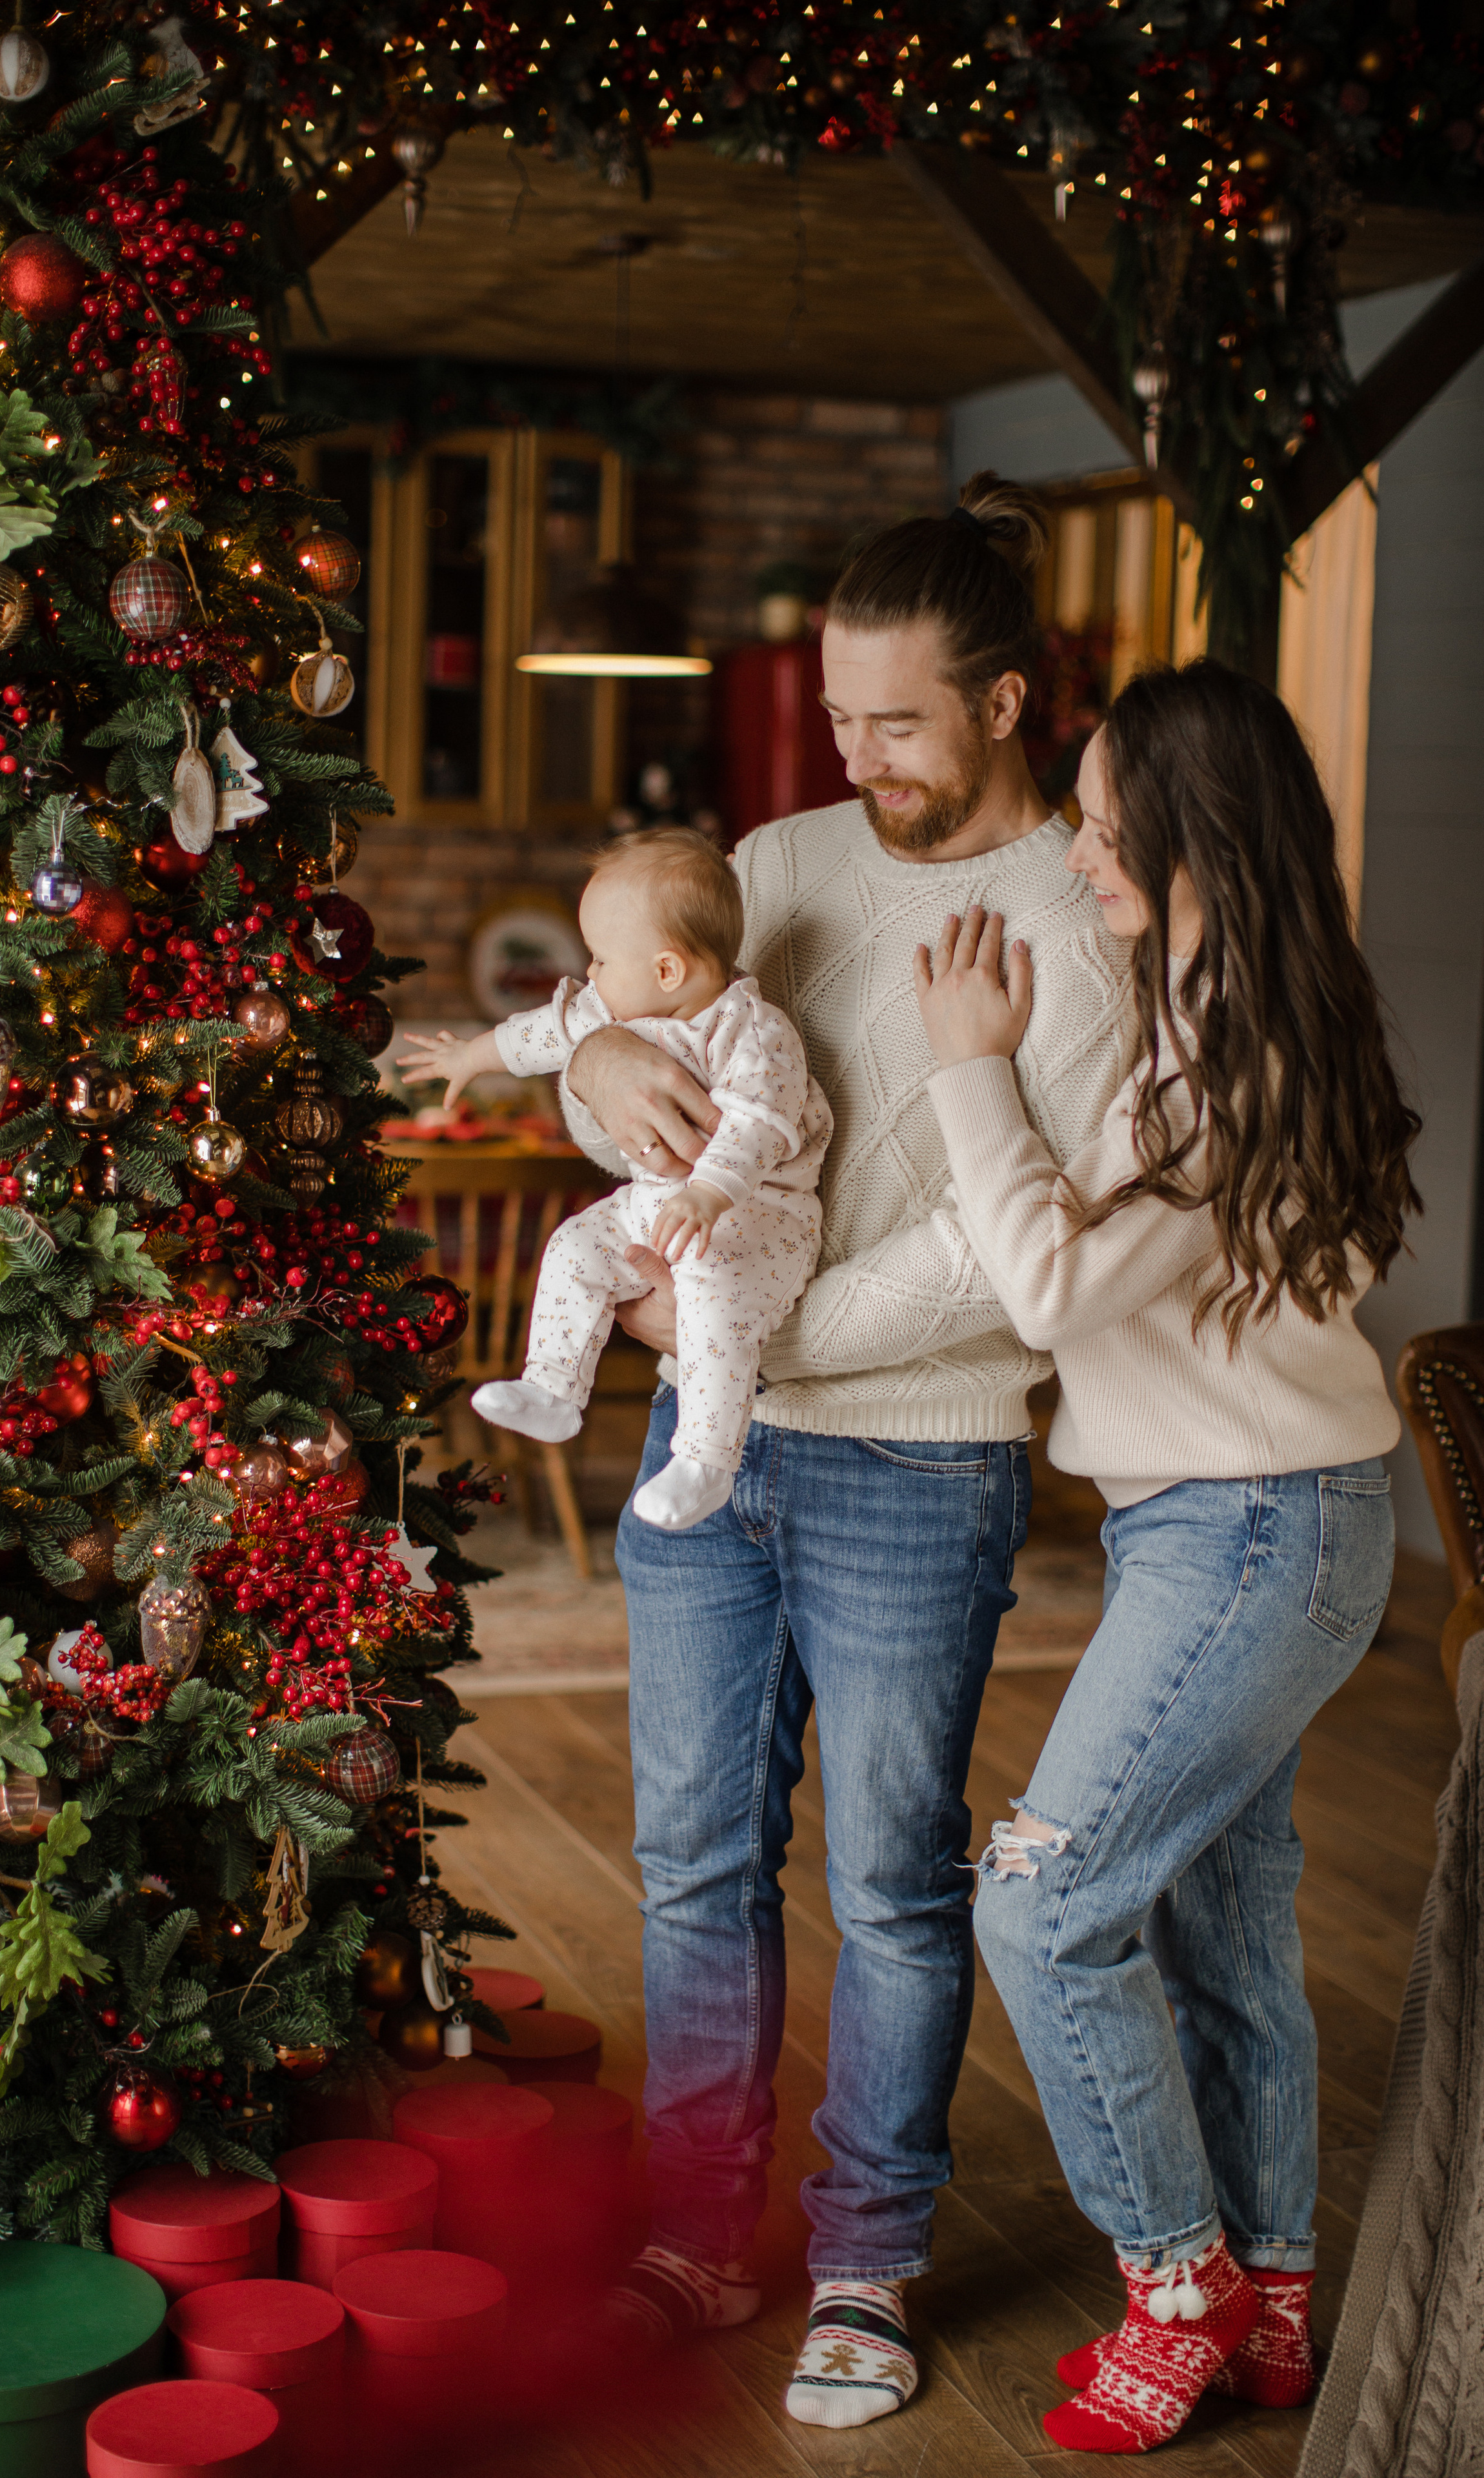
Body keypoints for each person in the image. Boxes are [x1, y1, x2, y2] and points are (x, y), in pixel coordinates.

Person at [558, 475, 1137, 2428]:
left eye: (895, 719)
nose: (851, 753)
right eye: (836, 711)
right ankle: (697, 2231)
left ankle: (867, 2260)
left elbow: (1002, 1246)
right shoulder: (780, 852)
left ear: (1005, 700)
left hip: (919, 1458)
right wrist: (588, 1067)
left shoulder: (1085, 908)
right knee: (687, 1859)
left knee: (892, 1880)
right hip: (700, 1454)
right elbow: (642, 1017)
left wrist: (716, 1320)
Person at [917, 658, 1419, 2455]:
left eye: (1106, 816)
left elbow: (1053, 1287)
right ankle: (1274, 2298)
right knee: (1218, 1923)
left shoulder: (1229, 1046)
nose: (1079, 843)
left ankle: (1181, 2278)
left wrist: (971, 1074)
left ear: (1198, 825)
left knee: (1040, 1906)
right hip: (1239, 1520)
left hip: (1250, 1532)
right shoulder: (1229, 1005)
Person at [396, 829, 830, 1531]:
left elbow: (760, 1126)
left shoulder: (754, 1032)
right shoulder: (618, 1009)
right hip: (656, 1202)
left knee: (713, 1305)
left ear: (666, 970)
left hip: (755, 1217)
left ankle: (705, 1461)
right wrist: (469, 1058)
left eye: (600, 958)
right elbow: (547, 1029)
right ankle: (555, 1388)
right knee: (574, 1246)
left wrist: (708, 1192)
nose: (589, 974)